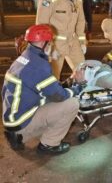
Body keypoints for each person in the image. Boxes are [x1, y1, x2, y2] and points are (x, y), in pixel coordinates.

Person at [2, 24, 80, 155]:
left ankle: (16, 135)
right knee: (71, 104)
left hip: (12, 118)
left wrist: (67, 82)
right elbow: (59, 96)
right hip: (21, 122)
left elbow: (46, 88)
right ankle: (49, 144)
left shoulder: (25, 57)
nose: (52, 45)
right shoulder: (38, 65)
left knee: (54, 100)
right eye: (51, 42)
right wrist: (77, 88)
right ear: (44, 42)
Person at [36, 0, 87, 79]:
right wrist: (48, 48)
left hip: (72, 42)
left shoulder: (78, 0)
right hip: (55, 44)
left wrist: (82, 42)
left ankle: (78, 93)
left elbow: (81, 21)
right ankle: (54, 96)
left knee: (83, 72)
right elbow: (41, 25)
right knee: (53, 78)